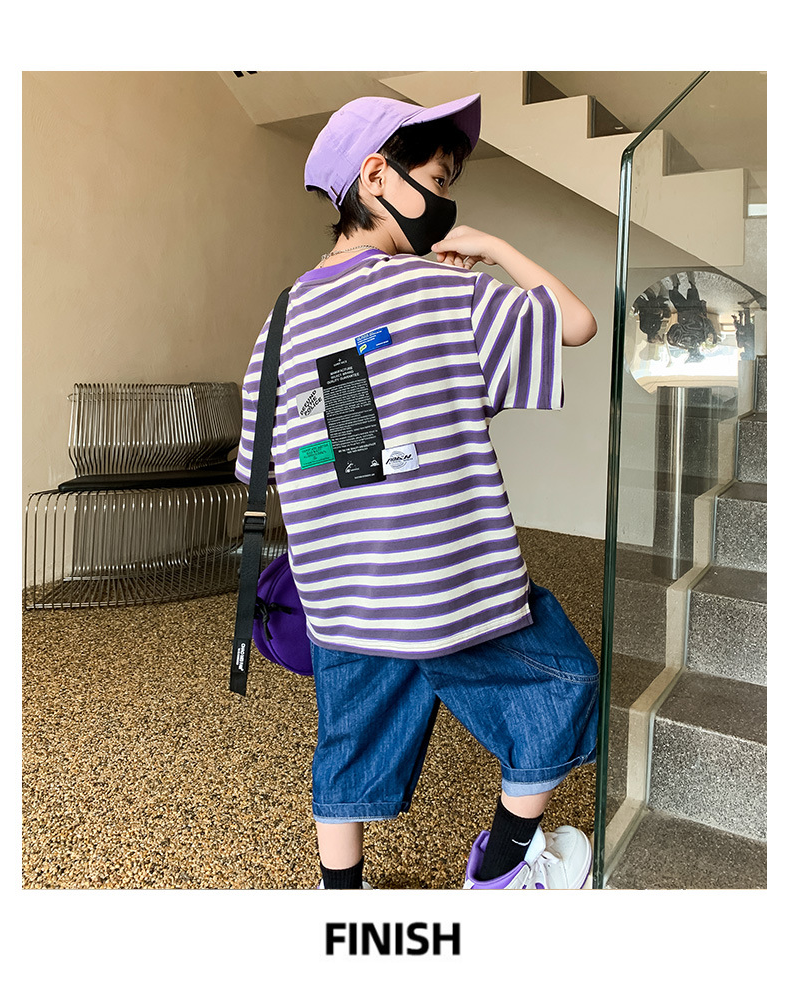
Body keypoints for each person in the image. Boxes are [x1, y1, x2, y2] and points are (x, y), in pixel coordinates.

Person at [235, 92, 600, 890]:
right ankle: (502, 872)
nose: (445, 200)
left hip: (344, 599)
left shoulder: (281, 320)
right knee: (560, 680)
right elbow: (575, 323)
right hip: (451, 589)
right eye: (437, 178)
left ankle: (342, 899)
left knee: (347, 743)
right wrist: (492, 246)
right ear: (377, 177)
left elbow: (279, 463)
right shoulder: (443, 292)